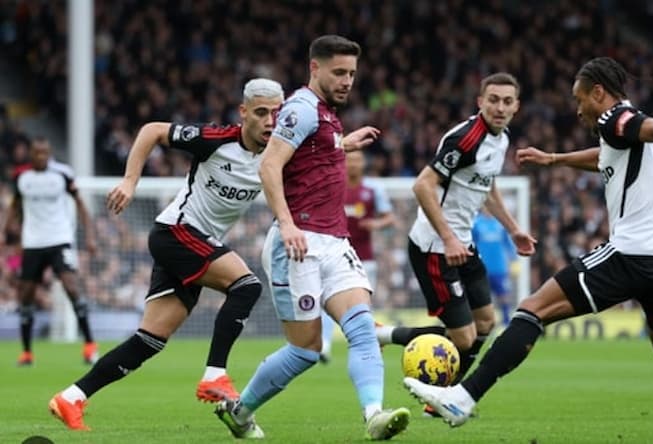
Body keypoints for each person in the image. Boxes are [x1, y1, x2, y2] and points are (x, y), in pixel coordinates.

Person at [403, 57, 653, 444]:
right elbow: (606, 156)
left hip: (632, 252)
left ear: (598, 93)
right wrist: (555, 160)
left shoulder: (616, 118)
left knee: (531, 310)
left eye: (579, 98)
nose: (578, 108)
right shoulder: (623, 133)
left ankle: (462, 399)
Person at [48, 78, 284, 431]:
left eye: (276, 114)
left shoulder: (276, 154)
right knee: (247, 286)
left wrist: (344, 144)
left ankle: (71, 397)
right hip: (176, 232)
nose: (269, 121)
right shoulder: (216, 140)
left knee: (150, 341)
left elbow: (321, 151)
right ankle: (215, 375)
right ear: (244, 112)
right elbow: (152, 131)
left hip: (194, 242)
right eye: (262, 112)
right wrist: (130, 181)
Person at [213, 35, 409, 441]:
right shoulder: (301, 109)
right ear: (314, 69)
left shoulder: (325, 115)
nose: (347, 81)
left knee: (361, 328)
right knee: (304, 350)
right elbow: (270, 166)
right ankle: (241, 410)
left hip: (335, 242)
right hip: (297, 244)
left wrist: (341, 143)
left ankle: (374, 414)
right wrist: (286, 224)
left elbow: (311, 157)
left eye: (352, 73)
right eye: (338, 72)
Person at [376, 72, 536, 415]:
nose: (500, 107)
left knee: (486, 324)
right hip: (435, 247)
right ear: (480, 102)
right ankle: (386, 336)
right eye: (493, 99)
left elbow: (486, 189)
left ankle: (446, 396)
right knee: (462, 338)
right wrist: (448, 238)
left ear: (516, 107)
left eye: (507, 101)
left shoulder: (502, 139)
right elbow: (422, 186)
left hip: (462, 244)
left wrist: (513, 229)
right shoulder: (466, 139)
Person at [1, 137, 98, 366]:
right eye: (37, 153)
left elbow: (80, 204)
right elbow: (16, 205)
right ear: (31, 154)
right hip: (33, 242)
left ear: (50, 153)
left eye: (45, 153)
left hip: (59, 239)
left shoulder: (62, 174)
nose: (41, 157)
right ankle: (26, 353)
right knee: (25, 295)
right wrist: (6, 231)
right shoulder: (21, 177)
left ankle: (90, 346)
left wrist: (90, 237)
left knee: (71, 287)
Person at [320, 149, 396, 363]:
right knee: (328, 298)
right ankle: (324, 345)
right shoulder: (335, 186)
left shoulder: (373, 189)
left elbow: (390, 217)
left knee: (361, 304)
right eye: (349, 160)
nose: (353, 164)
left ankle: (364, 346)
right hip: (334, 254)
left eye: (357, 160)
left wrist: (377, 223)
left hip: (364, 257)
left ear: (363, 163)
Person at [472, 208, 517, 326]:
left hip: (499, 267)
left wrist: (514, 260)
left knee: (503, 295)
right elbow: (472, 242)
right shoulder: (476, 223)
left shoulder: (500, 224)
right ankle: (482, 323)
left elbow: (508, 243)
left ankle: (506, 321)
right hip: (481, 267)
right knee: (482, 297)